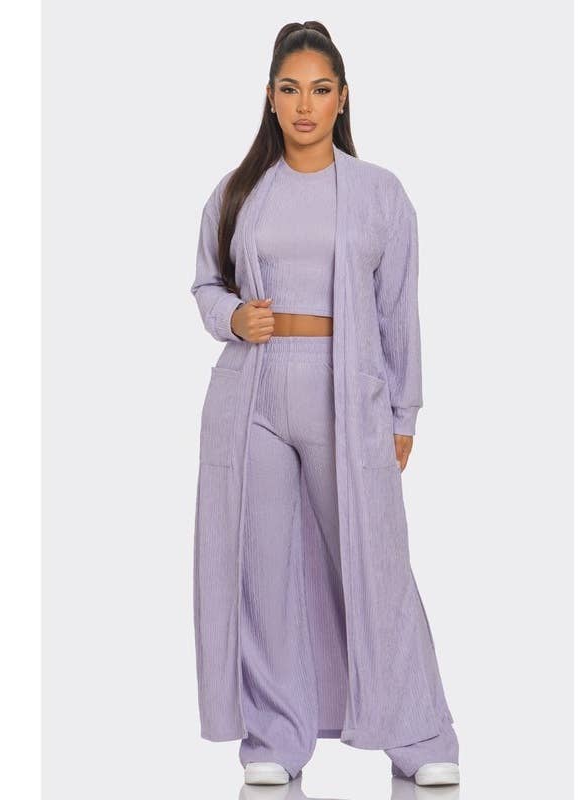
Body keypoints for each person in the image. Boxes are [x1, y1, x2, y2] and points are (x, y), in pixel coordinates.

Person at [190, 21, 461, 788]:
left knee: (377, 565)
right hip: (253, 396)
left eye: (319, 89)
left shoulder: (379, 193)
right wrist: (232, 317)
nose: (304, 105)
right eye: (290, 89)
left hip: (349, 395)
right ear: (270, 99)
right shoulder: (238, 192)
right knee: (265, 571)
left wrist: (403, 414)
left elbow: (399, 311)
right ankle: (273, 738)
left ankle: (419, 733)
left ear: (342, 99)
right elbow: (206, 284)